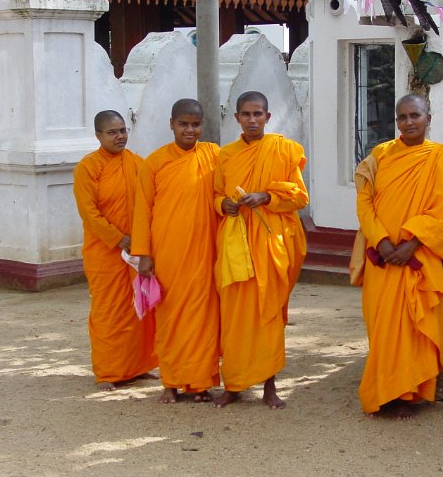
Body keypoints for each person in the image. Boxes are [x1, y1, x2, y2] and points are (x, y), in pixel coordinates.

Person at [355, 94, 443, 420]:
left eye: (415, 115)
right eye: (402, 117)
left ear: (429, 118)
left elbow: (442, 210)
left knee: (414, 327)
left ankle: (407, 393)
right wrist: (382, 240)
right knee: (382, 327)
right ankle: (383, 392)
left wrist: (411, 244)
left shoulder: (439, 157)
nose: (409, 122)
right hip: (382, 259)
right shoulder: (380, 155)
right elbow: (364, 201)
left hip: (416, 258)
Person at [213, 91, 308, 409]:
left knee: (269, 315)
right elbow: (214, 196)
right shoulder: (225, 156)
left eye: (258, 114)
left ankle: (270, 385)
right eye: (246, 114)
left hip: (270, 244)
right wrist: (223, 203)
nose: (252, 120)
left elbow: (299, 197)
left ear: (268, 117)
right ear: (237, 118)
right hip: (236, 242)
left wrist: (267, 197)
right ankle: (234, 384)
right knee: (235, 316)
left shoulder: (284, 150)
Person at [132, 99, 221, 404]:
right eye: (183, 124)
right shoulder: (154, 163)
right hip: (167, 251)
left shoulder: (213, 155)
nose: (189, 129)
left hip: (205, 250)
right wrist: (143, 254)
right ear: (171, 124)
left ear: (202, 126)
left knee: (204, 318)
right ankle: (170, 381)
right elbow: (142, 211)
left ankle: (199, 382)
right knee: (169, 318)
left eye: (195, 124)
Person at [73, 110, 157, 391]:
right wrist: (119, 238)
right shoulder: (88, 167)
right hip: (105, 251)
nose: (120, 136)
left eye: (122, 130)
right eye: (112, 132)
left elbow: (149, 204)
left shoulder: (137, 163)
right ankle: (108, 371)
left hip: (136, 251)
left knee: (139, 309)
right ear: (98, 136)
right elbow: (89, 212)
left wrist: (142, 241)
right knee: (108, 311)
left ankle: (138, 365)